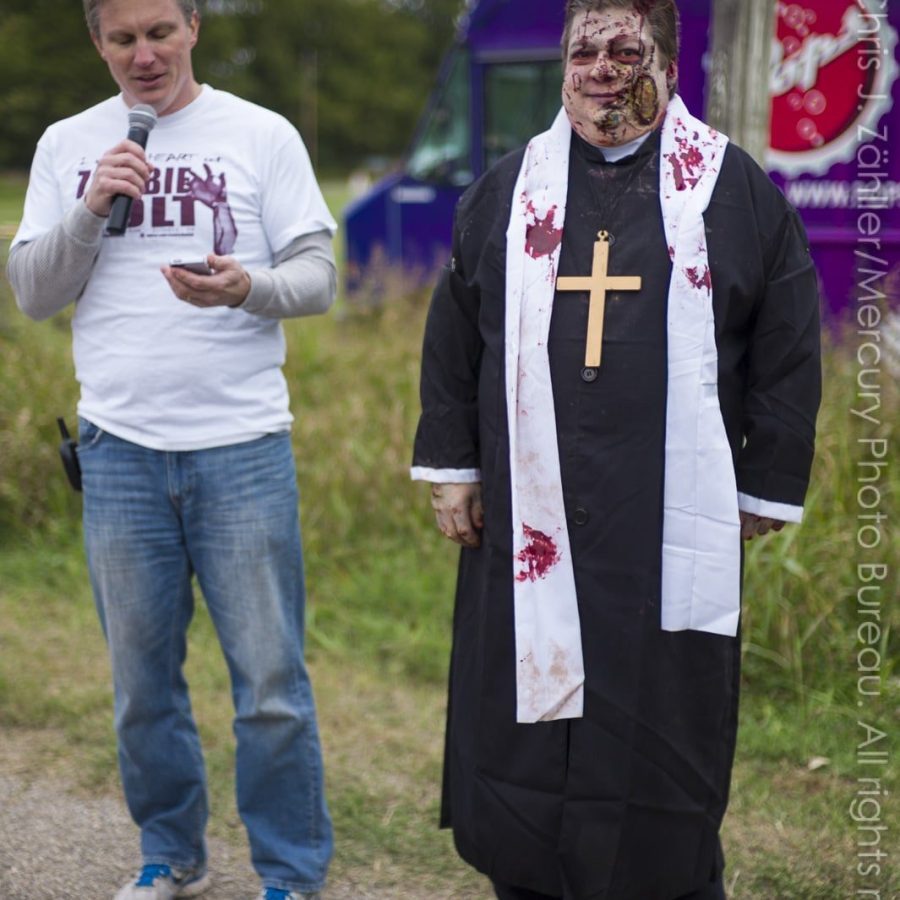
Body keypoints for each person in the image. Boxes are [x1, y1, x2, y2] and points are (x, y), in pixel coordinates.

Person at [411, 1, 822, 898]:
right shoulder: (507, 191)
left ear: (668, 64)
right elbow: (455, 340)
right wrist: (452, 469)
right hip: (529, 514)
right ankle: (526, 874)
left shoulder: (733, 191)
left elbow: (790, 347)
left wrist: (765, 485)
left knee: (657, 735)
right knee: (521, 731)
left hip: (660, 520)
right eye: (582, 50)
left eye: (624, 49)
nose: (601, 67)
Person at [7, 1, 336, 898]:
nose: (143, 54)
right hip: (119, 453)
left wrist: (245, 287)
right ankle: (172, 856)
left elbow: (318, 276)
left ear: (193, 27)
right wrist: (87, 209)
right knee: (141, 685)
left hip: (241, 450)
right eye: (123, 38)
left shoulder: (259, 134)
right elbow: (33, 295)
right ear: (98, 44)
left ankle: (290, 872)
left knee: (270, 684)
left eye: (160, 32)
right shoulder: (69, 142)